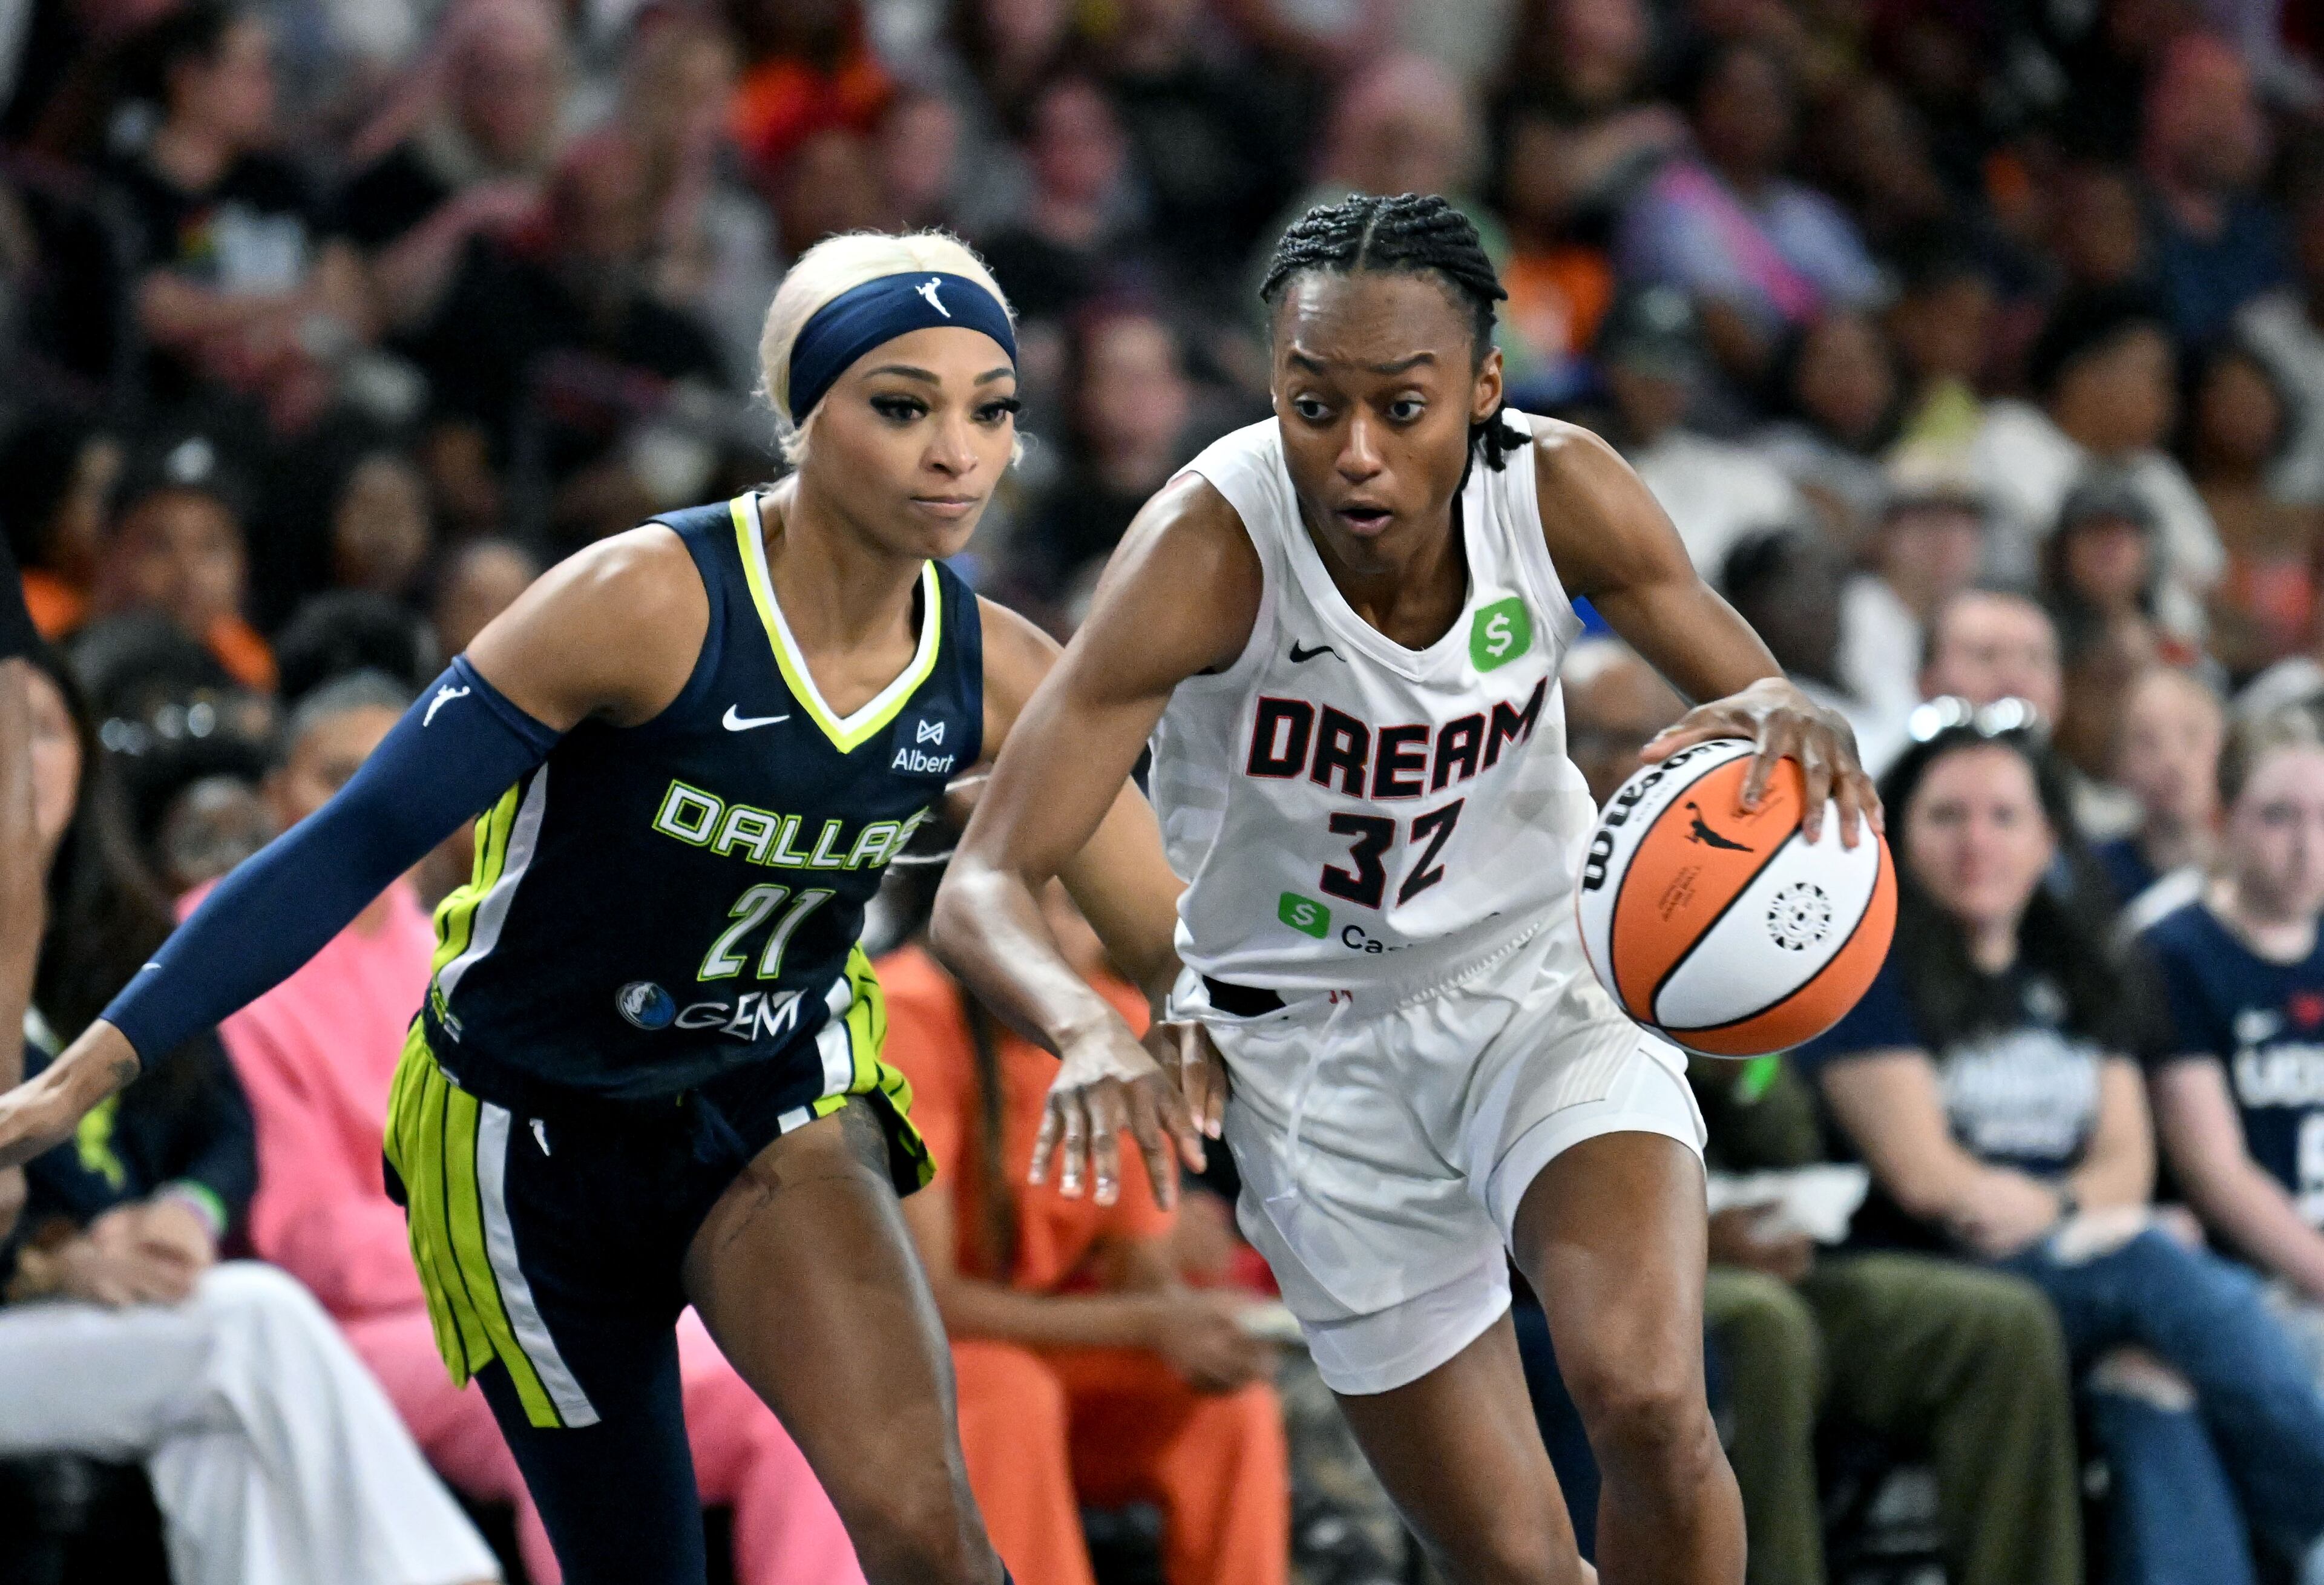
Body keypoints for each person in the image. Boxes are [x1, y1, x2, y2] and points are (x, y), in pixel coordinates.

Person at [0, 229, 1185, 1585]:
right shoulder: (641, 601)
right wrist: (81, 1073)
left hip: (769, 1097)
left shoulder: (1003, 671)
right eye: (904, 405)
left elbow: (1170, 936)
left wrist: (1319, 1087)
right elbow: (354, 840)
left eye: (992, 410)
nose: (957, 452)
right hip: (528, 1133)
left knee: (932, 1534)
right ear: (803, 417)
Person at [936, 191, 1883, 1585]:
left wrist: (1791, 713)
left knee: (1646, 1399)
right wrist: (1085, 1026)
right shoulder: (1205, 547)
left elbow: (1756, 690)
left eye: (1401, 405)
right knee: (1512, 1564)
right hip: (1310, 1060)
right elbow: (982, 885)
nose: (1356, 453)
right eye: (1313, 406)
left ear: (1484, 388)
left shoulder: (1556, 488)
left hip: (1538, 984)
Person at [218, 672, 866, 1585]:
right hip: (355, 1330)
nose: (373, 800)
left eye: (393, 771)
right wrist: (525, 1237)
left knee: (795, 1388)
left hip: (517, 1259)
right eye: (336, 775)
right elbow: (306, 1237)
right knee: (580, 1387)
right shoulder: (235, 950)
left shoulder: (450, 936)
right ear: (277, 791)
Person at [1563, 637, 2084, 1585]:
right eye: (1591, 738)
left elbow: (1785, 1127)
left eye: (1640, 738)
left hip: (1751, 1246)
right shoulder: (1520, 910)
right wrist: (1699, 1239)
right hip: (1595, 1274)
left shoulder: (1718, 889)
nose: (1618, 764)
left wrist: (1744, 1060)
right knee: (1765, 1329)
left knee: (2000, 1325)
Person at [0, 644, 501, 1585]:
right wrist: (47, 1260)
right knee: (254, 1319)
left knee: (224, 1446)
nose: (17, 762)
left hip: (106, 1314)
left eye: (42, 731)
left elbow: (222, 1129)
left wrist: (185, 1210)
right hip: (26, 1311)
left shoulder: (116, 934)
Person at [1794, 718, 2324, 1585]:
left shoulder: (2080, 968)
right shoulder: (1865, 968)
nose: (1978, 842)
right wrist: (2083, 1216)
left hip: (2081, 1256)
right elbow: (1930, 1180)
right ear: (1897, 833)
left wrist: (2069, 1212)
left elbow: (2126, 1160)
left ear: (2048, 838)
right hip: (1932, 1268)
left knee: (2146, 1379)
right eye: (1947, 816)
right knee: (2153, 1262)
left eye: (2005, 816)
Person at [882, 882, 1289, 1585]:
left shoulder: (1119, 1021)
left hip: (1045, 1349)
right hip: (917, 1359)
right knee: (1010, 1391)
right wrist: (1149, 1320)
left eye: (1077, 908)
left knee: (1227, 1398)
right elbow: (930, 1303)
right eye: (1033, 900)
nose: (1056, 932)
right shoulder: (906, 1010)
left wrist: (1194, 1322)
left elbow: (1140, 1270)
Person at [2143, 707, 2324, 1368]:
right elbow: (2217, 1176)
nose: (2307, 846)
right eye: (2278, 817)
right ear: (2221, 822)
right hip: (2249, 1280)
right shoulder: (2175, 953)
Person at [2094, 666, 2223, 913]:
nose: (2172, 761)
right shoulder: (2095, 874)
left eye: (2192, 736)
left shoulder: (2255, 866)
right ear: (2117, 761)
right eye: (2146, 741)